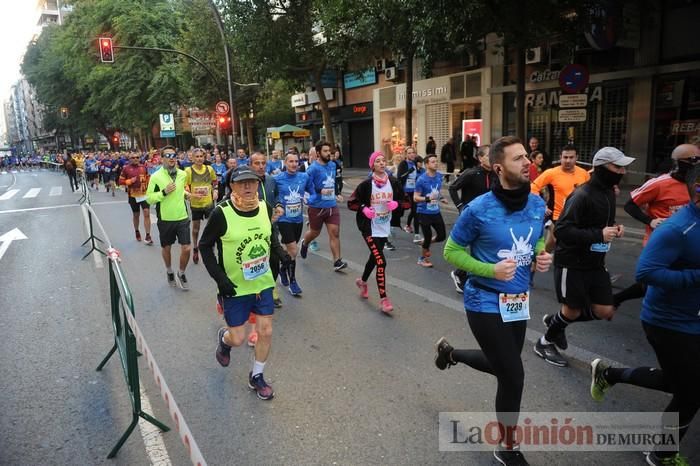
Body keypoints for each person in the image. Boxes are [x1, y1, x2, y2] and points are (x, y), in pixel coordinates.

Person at [436, 135, 552, 466]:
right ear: (499, 168)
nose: (527, 162)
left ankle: (452, 354)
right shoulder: (479, 209)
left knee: (504, 367)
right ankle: (507, 448)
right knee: (513, 375)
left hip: (518, 301)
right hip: (484, 300)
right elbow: (451, 251)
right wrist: (489, 269)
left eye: (527, 156)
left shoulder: (536, 204)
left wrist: (541, 255)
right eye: (518, 159)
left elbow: (538, 238)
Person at [589, 162, 700, 466]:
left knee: (681, 382)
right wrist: (695, 277)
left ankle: (610, 374)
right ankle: (662, 454)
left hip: (694, 316)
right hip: (669, 322)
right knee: (690, 393)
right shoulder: (677, 229)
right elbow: (647, 273)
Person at [535, 147, 635, 367]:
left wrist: (614, 228)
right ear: (601, 168)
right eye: (617, 167)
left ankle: (555, 322)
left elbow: (599, 224)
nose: (622, 171)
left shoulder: (609, 192)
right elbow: (561, 231)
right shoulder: (582, 195)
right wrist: (599, 234)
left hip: (596, 262)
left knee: (605, 310)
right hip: (571, 262)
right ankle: (544, 342)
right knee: (572, 310)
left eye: (623, 167)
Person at [200, 166, 289, 401]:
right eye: (242, 183)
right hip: (234, 287)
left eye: (253, 182)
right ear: (232, 186)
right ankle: (224, 340)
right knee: (238, 339)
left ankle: (257, 376)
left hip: (262, 283)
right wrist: (220, 279)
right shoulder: (222, 213)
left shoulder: (264, 207)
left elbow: (269, 236)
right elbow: (204, 246)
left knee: (266, 331)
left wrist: (280, 254)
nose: (249, 187)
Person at [613, 143, 699, 309]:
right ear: (678, 163)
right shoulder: (659, 184)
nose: (697, 164)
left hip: (690, 242)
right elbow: (630, 205)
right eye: (693, 160)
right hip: (661, 242)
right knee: (657, 280)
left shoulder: (695, 185)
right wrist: (650, 221)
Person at [348, 151, 404, 313]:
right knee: (381, 261)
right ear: (372, 165)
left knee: (374, 257)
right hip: (369, 228)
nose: (381, 163)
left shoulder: (393, 182)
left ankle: (362, 281)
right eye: (377, 161)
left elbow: (406, 201)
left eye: (383, 160)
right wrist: (364, 209)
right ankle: (384, 300)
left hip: (384, 227)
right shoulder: (366, 184)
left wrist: (396, 205)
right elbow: (352, 202)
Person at [447, 145, 495, 292]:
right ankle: (459, 274)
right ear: (480, 158)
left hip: (488, 217)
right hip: (471, 217)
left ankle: (476, 276)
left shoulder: (495, 174)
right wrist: (461, 206)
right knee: (471, 248)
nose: (492, 157)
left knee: (484, 247)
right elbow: (452, 187)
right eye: (488, 155)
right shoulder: (471, 173)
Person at [146, 146, 192, 290]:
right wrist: (163, 192)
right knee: (167, 248)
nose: (172, 158)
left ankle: (181, 272)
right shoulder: (156, 177)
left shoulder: (182, 174)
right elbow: (149, 199)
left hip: (182, 217)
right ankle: (169, 271)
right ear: (162, 158)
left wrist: (186, 194)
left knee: (186, 248)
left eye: (174, 155)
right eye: (168, 155)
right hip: (165, 219)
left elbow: (181, 190)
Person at [530, 145, 590, 252]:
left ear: (577, 157)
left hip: (578, 216)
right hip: (557, 216)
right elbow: (533, 188)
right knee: (561, 244)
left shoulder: (584, 174)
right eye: (565, 157)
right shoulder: (551, 173)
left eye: (571, 157)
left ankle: (540, 258)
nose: (568, 160)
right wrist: (541, 206)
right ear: (560, 157)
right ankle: (550, 262)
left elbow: (590, 194)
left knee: (554, 243)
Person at [299, 141, 347, 271]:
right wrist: (320, 191)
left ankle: (337, 261)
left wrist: (337, 193)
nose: (328, 153)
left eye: (329, 151)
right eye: (325, 151)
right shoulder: (313, 168)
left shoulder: (333, 165)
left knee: (335, 233)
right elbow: (305, 184)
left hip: (331, 205)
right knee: (315, 232)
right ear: (318, 153)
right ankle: (305, 243)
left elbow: (335, 181)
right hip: (316, 207)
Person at [274, 152, 310, 296]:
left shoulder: (304, 177)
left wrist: (310, 198)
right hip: (284, 220)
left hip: (298, 219)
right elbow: (271, 192)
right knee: (294, 250)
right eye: (291, 161)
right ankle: (293, 282)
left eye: (296, 161)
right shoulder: (277, 179)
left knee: (290, 252)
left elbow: (312, 191)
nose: (294, 164)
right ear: (285, 163)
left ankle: (283, 269)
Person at [413, 154, 448, 267]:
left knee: (442, 236)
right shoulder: (421, 180)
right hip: (424, 213)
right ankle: (422, 259)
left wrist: (441, 198)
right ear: (427, 164)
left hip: (436, 212)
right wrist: (427, 199)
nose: (436, 163)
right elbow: (415, 198)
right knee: (428, 236)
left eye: (436, 161)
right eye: (433, 162)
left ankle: (424, 244)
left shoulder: (439, 176)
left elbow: (436, 191)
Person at [185, 148, 218, 265]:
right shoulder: (188, 171)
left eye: (201, 156)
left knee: (212, 226)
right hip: (196, 204)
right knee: (196, 228)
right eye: (197, 157)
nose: (199, 159)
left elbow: (215, 181)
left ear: (204, 158)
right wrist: (189, 194)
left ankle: (211, 247)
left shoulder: (209, 169)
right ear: (192, 158)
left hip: (208, 203)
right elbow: (185, 186)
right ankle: (195, 247)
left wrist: (215, 191)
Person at [118, 152, 153, 244]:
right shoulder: (126, 169)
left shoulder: (143, 167)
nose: (135, 159)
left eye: (137, 157)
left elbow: (148, 178)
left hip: (144, 194)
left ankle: (148, 235)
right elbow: (120, 181)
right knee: (136, 215)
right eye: (133, 157)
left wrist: (150, 184)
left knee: (146, 213)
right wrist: (129, 181)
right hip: (133, 195)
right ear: (130, 159)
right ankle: (137, 231)